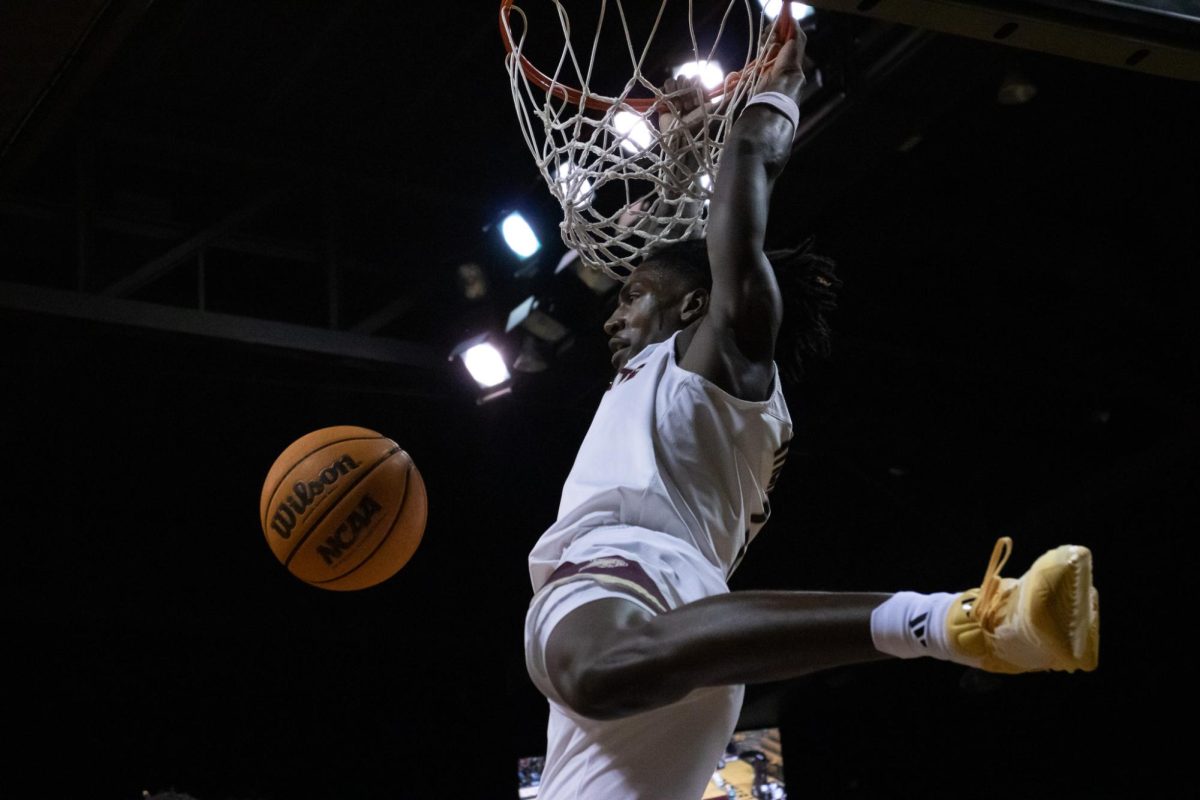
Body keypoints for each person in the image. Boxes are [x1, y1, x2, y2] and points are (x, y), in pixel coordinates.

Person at [523, 25, 1099, 800]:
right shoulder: (693, 380)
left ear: (695, 303)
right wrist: (686, 150)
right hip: (694, 623)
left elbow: (747, 178)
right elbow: (702, 215)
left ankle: (952, 621)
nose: (609, 314)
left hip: (618, 585)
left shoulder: (728, 348)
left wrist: (775, 97)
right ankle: (970, 622)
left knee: (593, 674)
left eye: (631, 295)